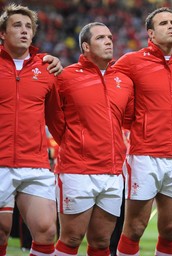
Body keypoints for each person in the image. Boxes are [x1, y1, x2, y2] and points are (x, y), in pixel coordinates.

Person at [113, 7, 172, 255]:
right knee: (134, 227)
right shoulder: (132, 61)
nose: (171, 26)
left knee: (171, 231)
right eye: (163, 23)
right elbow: (106, 84)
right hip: (144, 155)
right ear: (151, 34)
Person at [49, 22, 134, 256]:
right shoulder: (65, 77)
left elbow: (127, 120)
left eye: (110, 36)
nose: (109, 41)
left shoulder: (124, 81)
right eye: (101, 38)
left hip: (113, 171)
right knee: (71, 238)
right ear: (85, 46)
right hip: (77, 170)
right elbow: (54, 117)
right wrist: (72, 142)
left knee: (101, 241)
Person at [0, 4, 62, 256]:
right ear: (2, 33)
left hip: (34, 163)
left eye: (29, 27)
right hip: (0, 161)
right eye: (17, 25)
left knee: (47, 230)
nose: (24, 31)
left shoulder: (47, 69)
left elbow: (56, 119)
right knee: (2, 229)